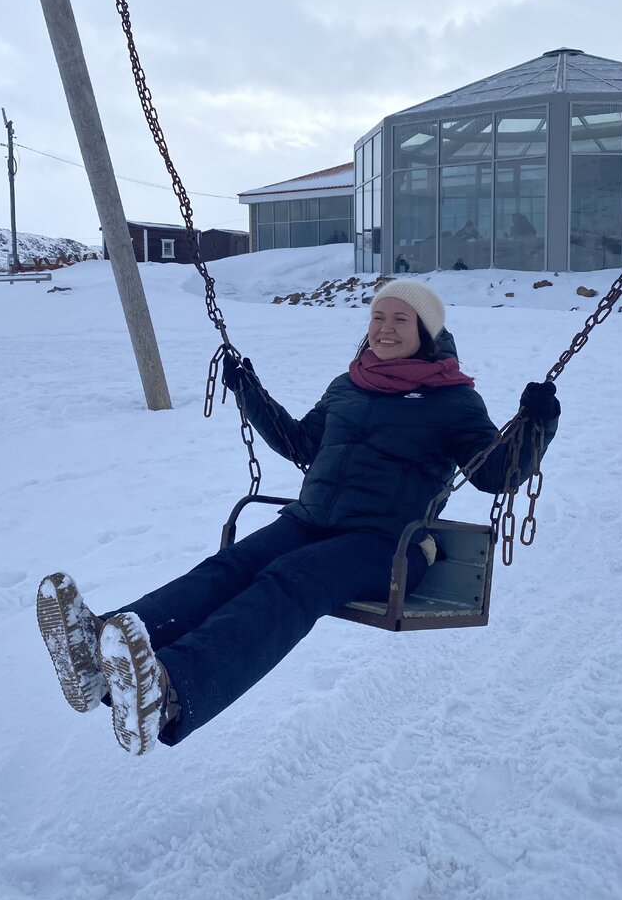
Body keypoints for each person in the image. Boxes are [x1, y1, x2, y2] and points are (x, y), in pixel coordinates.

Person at [37, 280, 560, 757]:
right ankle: (101, 653)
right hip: (312, 520)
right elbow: (301, 444)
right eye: (378, 317)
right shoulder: (349, 384)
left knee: (292, 580)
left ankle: (172, 691)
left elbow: (495, 475)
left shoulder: (453, 399)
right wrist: (250, 392)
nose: (385, 329)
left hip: (388, 544)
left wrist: (536, 423)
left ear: (426, 330)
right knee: (230, 567)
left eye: (401, 319)